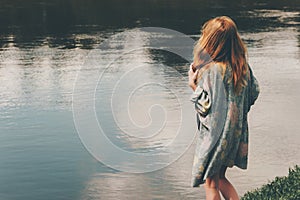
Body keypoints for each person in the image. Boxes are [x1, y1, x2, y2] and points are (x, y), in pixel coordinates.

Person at [188, 16, 260, 200]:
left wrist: (194, 86)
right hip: (234, 133)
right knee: (220, 178)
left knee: (211, 184)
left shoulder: (211, 71)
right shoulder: (242, 68)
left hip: (216, 136)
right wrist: (235, 112)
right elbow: (254, 92)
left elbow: (205, 107)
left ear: (210, 42)